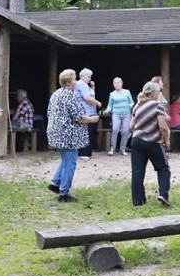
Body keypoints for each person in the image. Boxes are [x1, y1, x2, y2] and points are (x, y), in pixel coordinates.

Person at [47, 69, 100, 202]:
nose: (76, 81)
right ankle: (64, 194)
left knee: (66, 159)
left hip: (55, 133)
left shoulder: (56, 94)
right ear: (69, 81)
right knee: (70, 162)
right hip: (67, 135)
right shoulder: (69, 95)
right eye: (75, 79)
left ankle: (55, 183)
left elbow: (49, 112)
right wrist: (93, 119)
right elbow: (79, 117)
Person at [129, 81, 171, 207]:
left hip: (136, 141)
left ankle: (138, 201)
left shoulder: (137, 106)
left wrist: (139, 131)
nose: (159, 94)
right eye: (158, 92)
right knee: (163, 168)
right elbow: (163, 127)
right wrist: (166, 140)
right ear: (153, 94)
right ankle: (163, 195)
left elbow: (131, 126)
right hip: (153, 141)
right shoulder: (158, 106)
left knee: (137, 171)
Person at [74, 68, 101, 159]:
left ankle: (86, 153)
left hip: (88, 112)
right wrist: (97, 103)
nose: (90, 78)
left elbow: (90, 94)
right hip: (84, 111)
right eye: (88, 76)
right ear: (82, 76)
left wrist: (93, 87)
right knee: (84, 132)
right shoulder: (81, 84)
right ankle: (82, 153)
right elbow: (86, 98)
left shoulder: (85, 85)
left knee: (88, 132)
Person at [104, 77, 133, 155]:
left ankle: (122, 149)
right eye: (115, 83)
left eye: (119, 82)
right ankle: (112, 148)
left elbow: (132, 102)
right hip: (116, 113)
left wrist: (130, 106)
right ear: (113, 84)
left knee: (125, 131)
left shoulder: (127, 92)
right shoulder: (112, 94)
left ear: (122, 83)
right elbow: (110, 105)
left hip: (126, 113)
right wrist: (107, 110)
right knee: (115, 129)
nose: (117, 84)